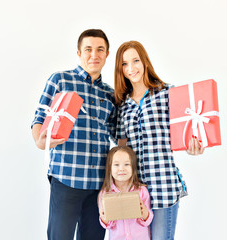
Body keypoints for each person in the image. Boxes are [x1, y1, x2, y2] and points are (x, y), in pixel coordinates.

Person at [31, 29, 117, 240]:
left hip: (98, 184)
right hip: (66, 178)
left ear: (107, 54)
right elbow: (39, 119)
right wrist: (40, 141)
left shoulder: (109, 94)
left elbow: (118, 135)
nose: (94, 55)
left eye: (100, 50)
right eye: (88, 49)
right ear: (79, 53)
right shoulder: (60, 80)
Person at [114, 40, 204, 240]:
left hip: (163, 186)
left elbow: (186, 133)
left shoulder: (167, 93)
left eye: (135, 61)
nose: (131, 68)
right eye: (124, 64)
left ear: (144, 62)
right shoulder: (122, 105)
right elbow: (122, 149)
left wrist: (193, 147)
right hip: (135, 192)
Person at [98, 146, 153, 240]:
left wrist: (144, 213)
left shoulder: (141, 191)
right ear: (109, 168)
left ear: (133, 167)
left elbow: (148, 221)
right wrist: (104, 218)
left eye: (126, 164)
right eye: (116, 165)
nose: (121, 169)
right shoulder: (105, 194)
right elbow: (107, 225)